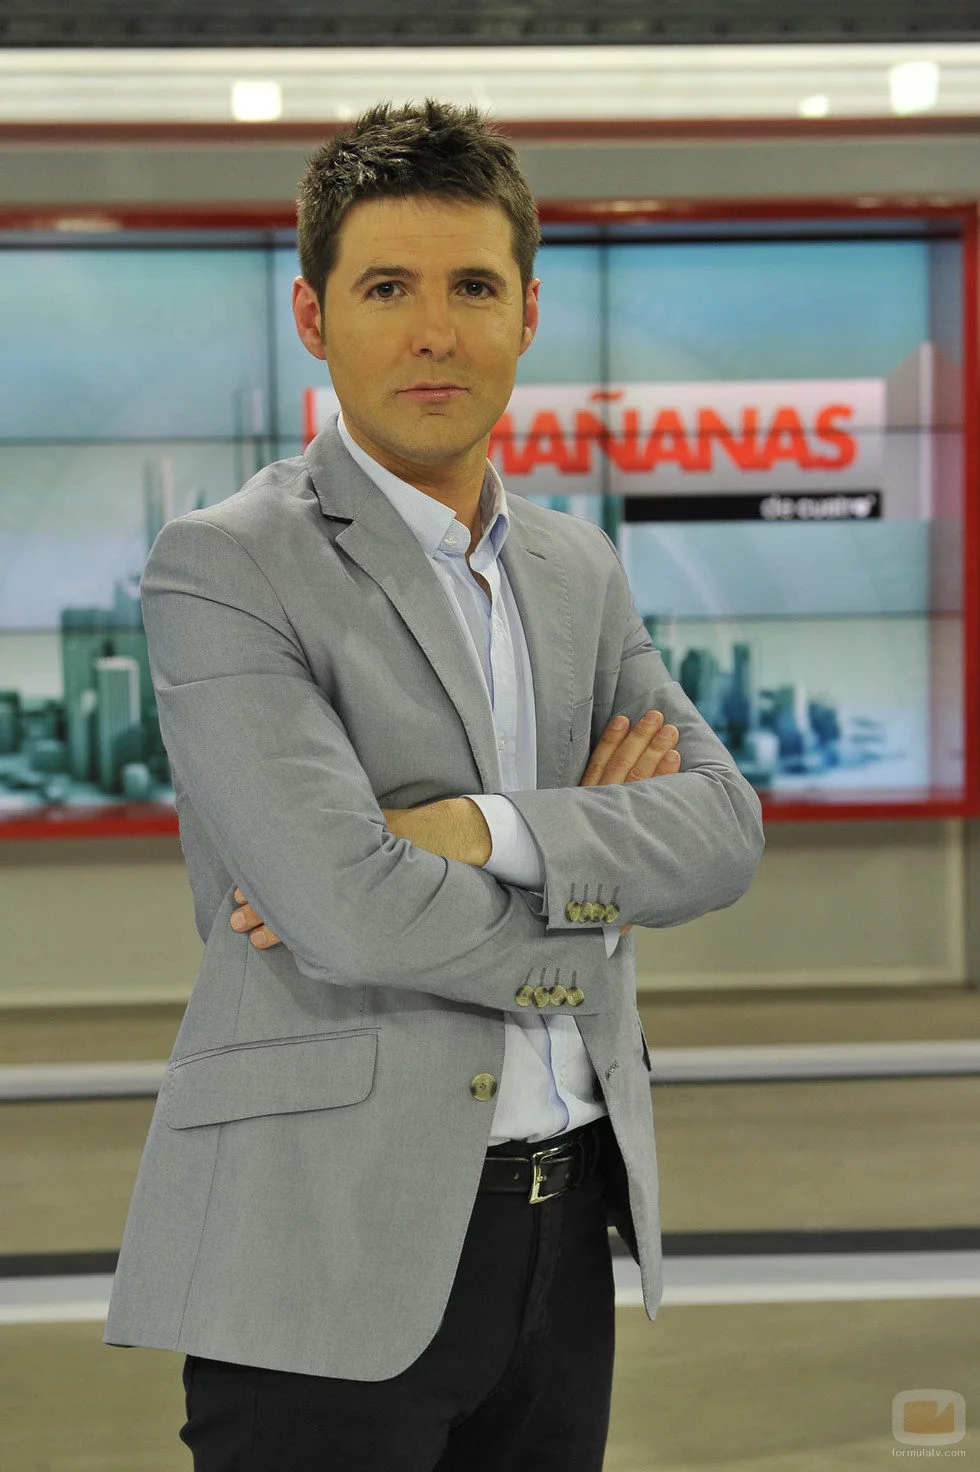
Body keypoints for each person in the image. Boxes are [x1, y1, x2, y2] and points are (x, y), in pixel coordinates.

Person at [103, 98, 764, 1470]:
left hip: (563, 1229)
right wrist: (590, 906)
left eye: (471, 287)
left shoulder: (577, 568)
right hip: (321, 1238)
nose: (433, 332)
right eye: (386, 288)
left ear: (527, 312)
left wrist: (475, 830)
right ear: (313, 314)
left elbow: (721, 828)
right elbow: (345, 909)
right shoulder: (225, 564)